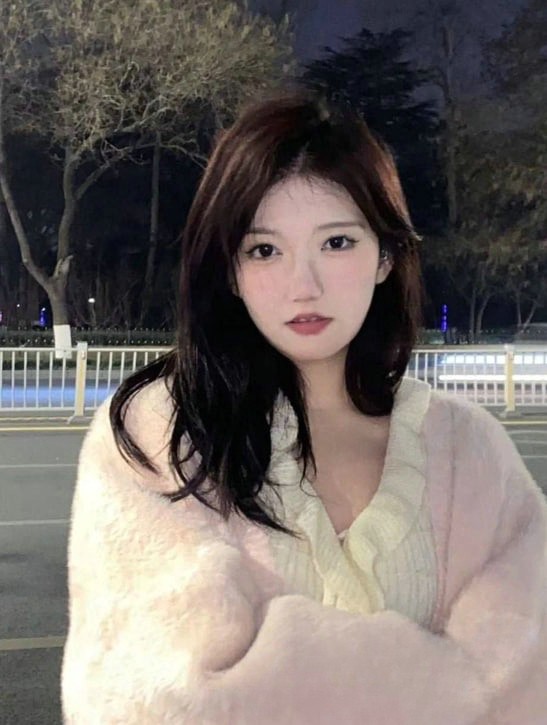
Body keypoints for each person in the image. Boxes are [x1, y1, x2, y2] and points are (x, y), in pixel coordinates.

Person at [61, 91, 547, 724]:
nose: (304, 285)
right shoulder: (159, 436)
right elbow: (147, 700)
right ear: (229, 270)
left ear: (386, 255)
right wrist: (452, 684)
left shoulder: (468, 450)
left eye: (337, 242)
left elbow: (528, 683)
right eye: (265, 250)